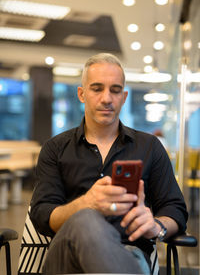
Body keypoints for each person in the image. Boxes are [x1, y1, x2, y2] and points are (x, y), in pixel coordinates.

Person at [30, 53, 188, 274]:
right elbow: (41, 215)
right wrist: (86, 204)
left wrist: (157, 226)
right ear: (81, 94)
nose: (107, 98)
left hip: (128, 253)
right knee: (85, 218)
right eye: (97, 89)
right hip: (66, 255)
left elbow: (175, 209)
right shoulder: (55, 148)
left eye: (115, 90)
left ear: (123, 97)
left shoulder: (150, 146)